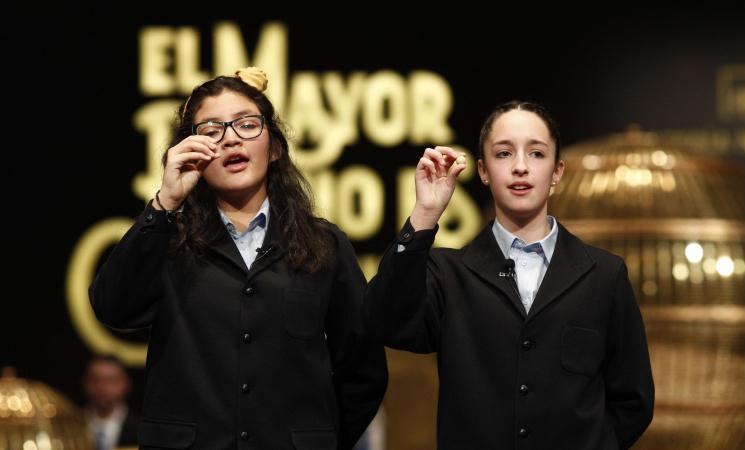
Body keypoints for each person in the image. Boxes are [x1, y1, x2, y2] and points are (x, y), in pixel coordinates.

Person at [90, 67, 387, 449]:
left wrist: (317, 439)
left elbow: (363, 369)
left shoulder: (323, 244)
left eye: (247, 125)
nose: (230, 140)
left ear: (275, 147)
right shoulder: (167, 239)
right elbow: (112, 306)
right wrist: (164, 204)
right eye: (212, 131)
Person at [363, 100, 654, 449]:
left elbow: (633, 401)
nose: (520, 167)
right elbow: (382, 320)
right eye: (503, 154)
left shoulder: (604, 275)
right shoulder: (449, 274)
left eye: (536, 153)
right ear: (483, 171)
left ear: (557, 171)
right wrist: (425, 213)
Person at [83, 355, 139, 450]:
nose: (102, 387)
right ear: (85, 382)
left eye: (111, 381)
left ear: (126, 384)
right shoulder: (71, 423)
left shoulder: (141, 429)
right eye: (95, 380)